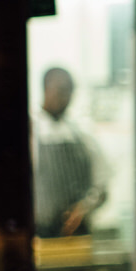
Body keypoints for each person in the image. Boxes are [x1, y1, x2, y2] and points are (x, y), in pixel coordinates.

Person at [32, 67, 110, 238]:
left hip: (79, 233)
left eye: (69, 91)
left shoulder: (81, 136)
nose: (65, 97)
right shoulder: (31, 133)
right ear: (46, 89)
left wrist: (84, 208)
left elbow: (102, 183)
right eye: (60, 90)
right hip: (40, 234)